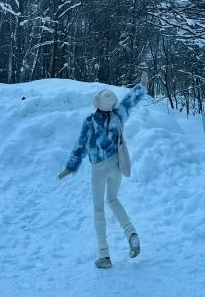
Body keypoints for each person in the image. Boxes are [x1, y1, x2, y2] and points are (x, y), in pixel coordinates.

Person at [58, 79, 148, 268]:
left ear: (97, 103)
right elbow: (129, 102)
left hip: (98, 169)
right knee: (114, 200)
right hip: (117, 166)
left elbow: (80, 145)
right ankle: (131, 233)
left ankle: (104, 255)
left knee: (98, 208)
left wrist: (71, 166)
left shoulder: (90, 121)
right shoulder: (118, 117)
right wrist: (141, 87)